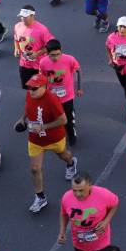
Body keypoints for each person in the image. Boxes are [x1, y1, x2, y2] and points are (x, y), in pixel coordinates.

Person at [20, 73, 78, 214]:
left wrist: (43, 127)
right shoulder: (30, 95)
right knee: (35, 168)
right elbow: (28, 107)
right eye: (29, 87)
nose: (31, 91)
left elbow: (63, 120)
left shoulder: (52, 99)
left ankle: (71, 163)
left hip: (54, 139)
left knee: (63, 155)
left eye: (34, 88)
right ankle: (40, 197)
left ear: (44, 87)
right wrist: (22, 119)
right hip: (35, 139)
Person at [59, 174, 119, 251]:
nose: (78, 194)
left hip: (100, 243)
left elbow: (115, 203)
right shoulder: (66, 197)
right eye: (74, 190)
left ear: (90, 185)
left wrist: (106, 221)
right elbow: (63, 214)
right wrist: (62, 232)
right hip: (79, 243)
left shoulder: (103, 195)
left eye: (81, 190)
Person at [38, 39, 83, 145]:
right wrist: (42, 93)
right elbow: (42, 78)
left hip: (67, 96)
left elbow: (78, 71)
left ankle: (71, 135)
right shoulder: (43, 62)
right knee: (55, 118)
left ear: (61, 50)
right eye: (52, 55)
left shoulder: (70, 59)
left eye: (58, 54)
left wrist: (79, 88)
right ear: (47, 53)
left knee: (68, 119)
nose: (56, 58)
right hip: (52, 96)